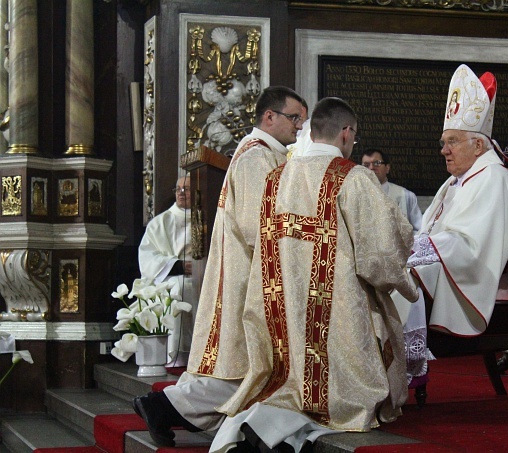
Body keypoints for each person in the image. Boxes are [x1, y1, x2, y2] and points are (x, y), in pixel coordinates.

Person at [208, 96, 418, 452]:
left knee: (287, 383)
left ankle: (263, 428)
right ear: (347, 133)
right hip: (335, 316)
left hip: (281, 311)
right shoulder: (354, 178)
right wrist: (405, 282)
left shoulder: (274, 179)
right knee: (340, 394)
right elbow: (379, 256)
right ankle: (276, 430)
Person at [133, 86, 307, 449]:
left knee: (245, 365)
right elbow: (260, 224)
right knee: (246, 366)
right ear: (269, 117)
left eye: (302, 121)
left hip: (246, 271)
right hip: (252, 275)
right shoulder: (258, 158)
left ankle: (163, 406)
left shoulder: (263, 154)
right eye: (294, 118)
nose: (299, 127)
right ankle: (162, 406)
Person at [391, 64, 508, 383]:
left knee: (399, 279)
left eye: (452, 141)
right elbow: (432, 233)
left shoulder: (494, 179)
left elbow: (475, 247)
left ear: (478, 145)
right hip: (446, 271)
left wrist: (416, 252)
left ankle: (397, 377)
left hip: (478, 283)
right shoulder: (455, 182)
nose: (443, 150)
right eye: (444, 142)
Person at [138, 175, 194, 366]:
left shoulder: (208, 219)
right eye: (178, 189)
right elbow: (147, 257)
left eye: (186, 189)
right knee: (179, 287)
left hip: (201, 276)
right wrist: (177, 265)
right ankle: (176, 355)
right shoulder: (160, 223)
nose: (181, 193)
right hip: (169, 277)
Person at [361, 148, 423, 232]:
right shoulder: (354, 196)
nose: (371, 168)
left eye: (377, 163)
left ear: (387, 168)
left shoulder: (406, 196)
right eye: (366, 165)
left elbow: (420, 230)